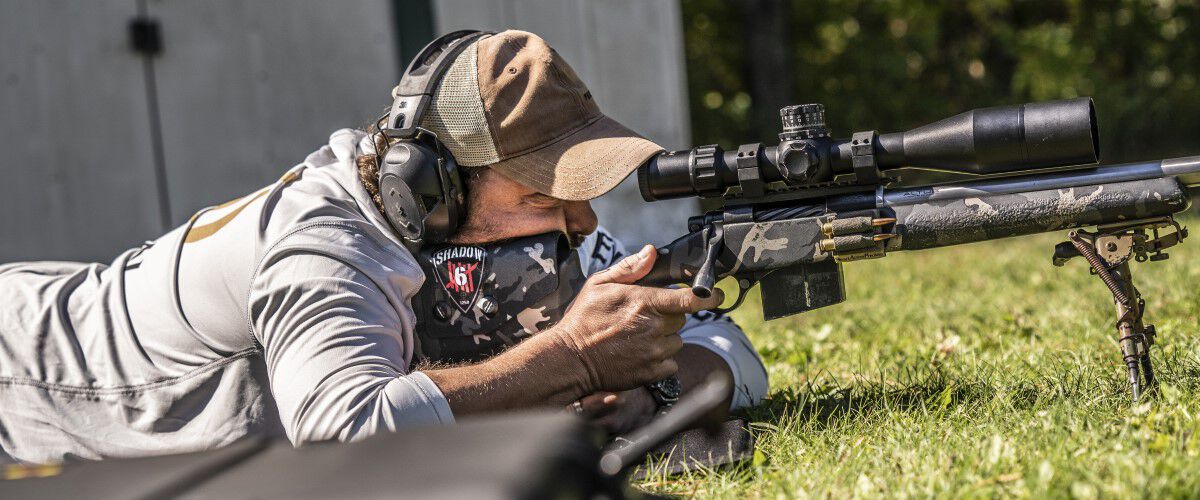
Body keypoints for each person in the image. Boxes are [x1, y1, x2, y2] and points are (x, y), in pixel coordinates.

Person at [0, 30, 767, 464]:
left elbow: (728, 350)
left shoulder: (511, 238)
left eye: (581, 192)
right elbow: (346, 437)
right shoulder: (325, 248)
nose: (584, 225)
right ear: (430, 187)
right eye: (542, 196)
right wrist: (574, 359)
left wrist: (650, 383)